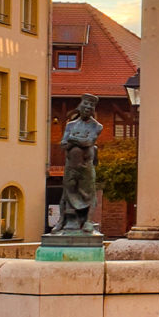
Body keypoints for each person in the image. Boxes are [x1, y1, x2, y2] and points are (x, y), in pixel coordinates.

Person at [56, 94, 103, 234]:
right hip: (70, 165)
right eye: (85, 106)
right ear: (80, 107)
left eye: (90, 107)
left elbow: (88, 142)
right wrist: (77, 140)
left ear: (93, 110)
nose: (87, 109)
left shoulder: (97, 126)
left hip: (86, 165)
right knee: (67, 193)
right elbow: (63, 144)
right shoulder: (70, 125)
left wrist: (73, 140)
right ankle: (62, 221)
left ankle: (88, 221)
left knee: (88, 193)